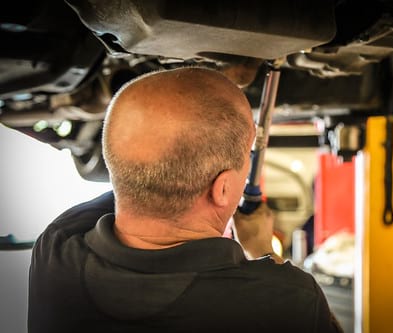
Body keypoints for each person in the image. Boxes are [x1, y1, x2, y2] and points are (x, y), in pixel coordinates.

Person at [28, 67, 343, 333]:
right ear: (221, 189)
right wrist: (260, 249)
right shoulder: (287, 303)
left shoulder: (56, 253)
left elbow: (136, 178)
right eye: (246, 156)